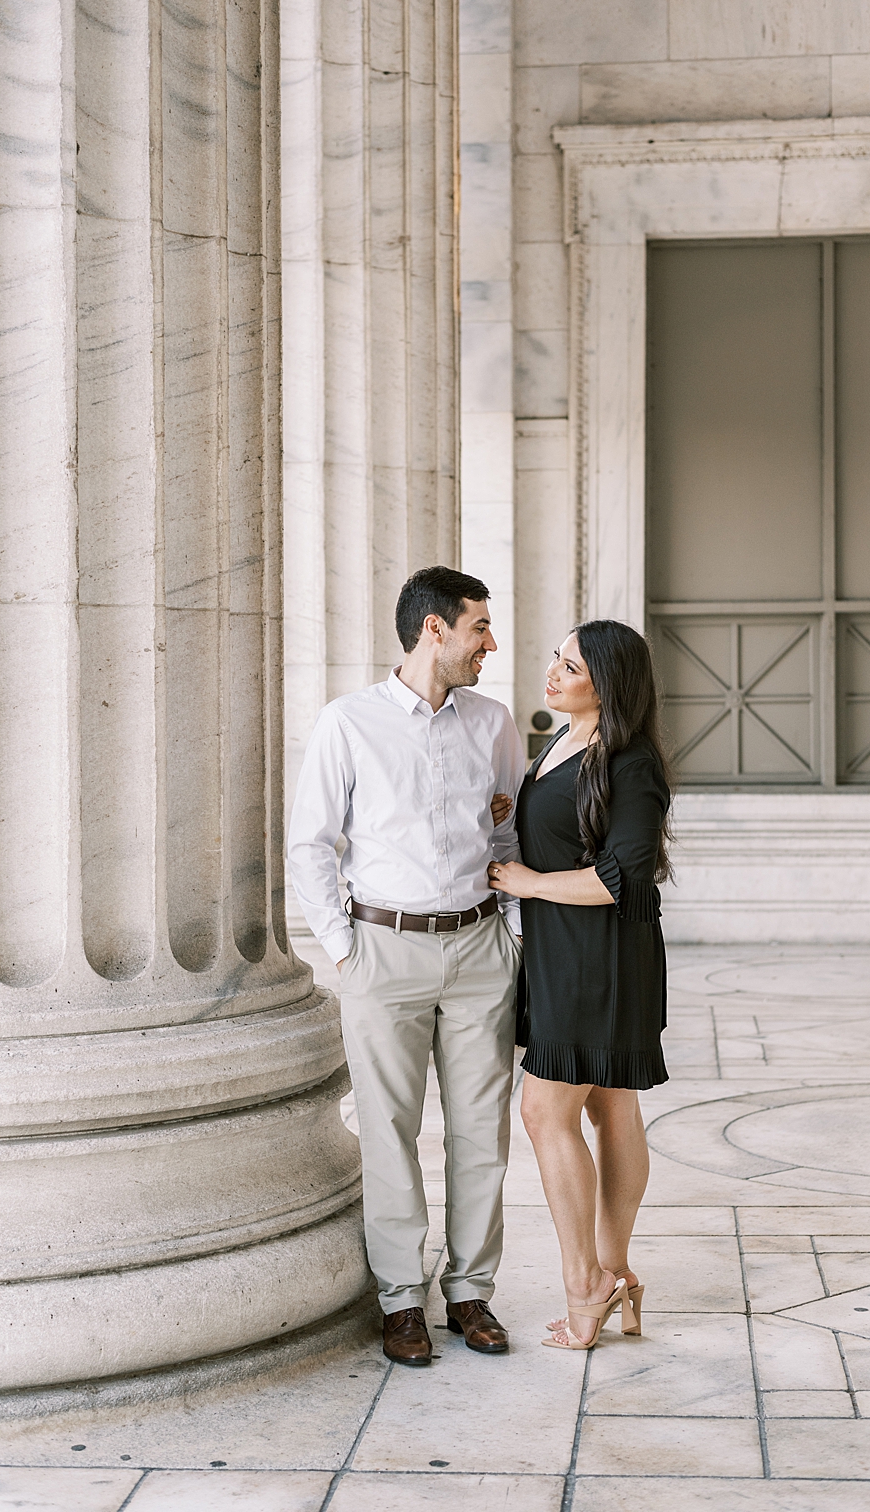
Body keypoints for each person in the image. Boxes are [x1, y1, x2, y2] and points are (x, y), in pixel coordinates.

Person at [287, 567, 529, 1365]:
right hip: (381, 949)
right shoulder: (347, 722)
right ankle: (400, 1297)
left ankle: (470, 1292)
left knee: (480, 1130)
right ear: (435, 628)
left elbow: (507, 838)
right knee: (388, 1130)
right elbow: (312, 845)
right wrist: (345, 947)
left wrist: (514, 935)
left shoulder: (492, 723)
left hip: (478, 946)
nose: (490, 643)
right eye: (480, 627)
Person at [487, 619, 672, 1351]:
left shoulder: (633, 762)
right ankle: (617, 1268)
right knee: (606, 1102)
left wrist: (530, 880)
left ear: (609, 683)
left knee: (545, 1111)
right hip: (562, 946)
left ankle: (584, 1283)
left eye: (572, 666)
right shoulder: (562, 741)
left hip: (600, 950)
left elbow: (622, 874)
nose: (554, 673)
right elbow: (562, 823)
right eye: (556, 658)